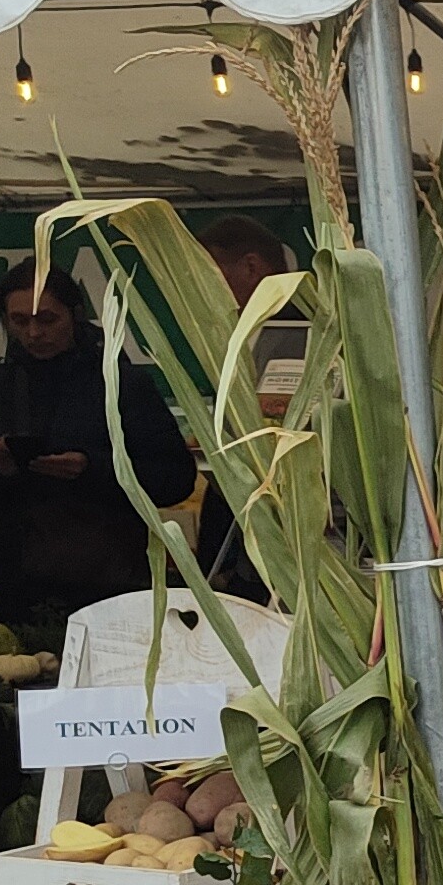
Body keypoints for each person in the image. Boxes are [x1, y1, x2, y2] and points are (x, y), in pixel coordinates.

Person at [0, 258, 197, 645]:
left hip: (109, 580)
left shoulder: (122, 383)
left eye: (47, 319)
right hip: (21, 582)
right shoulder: (0, 385)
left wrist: (94, 469)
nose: (33, 333)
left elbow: (176, 478)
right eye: (18, 321)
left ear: (75, 315)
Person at [188, 213, 295, 602]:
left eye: (209, 274)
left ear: (251, 266)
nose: (199, 287)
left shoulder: (301, 333)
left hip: (287, 536)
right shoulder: (236, 335)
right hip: (237, 536)